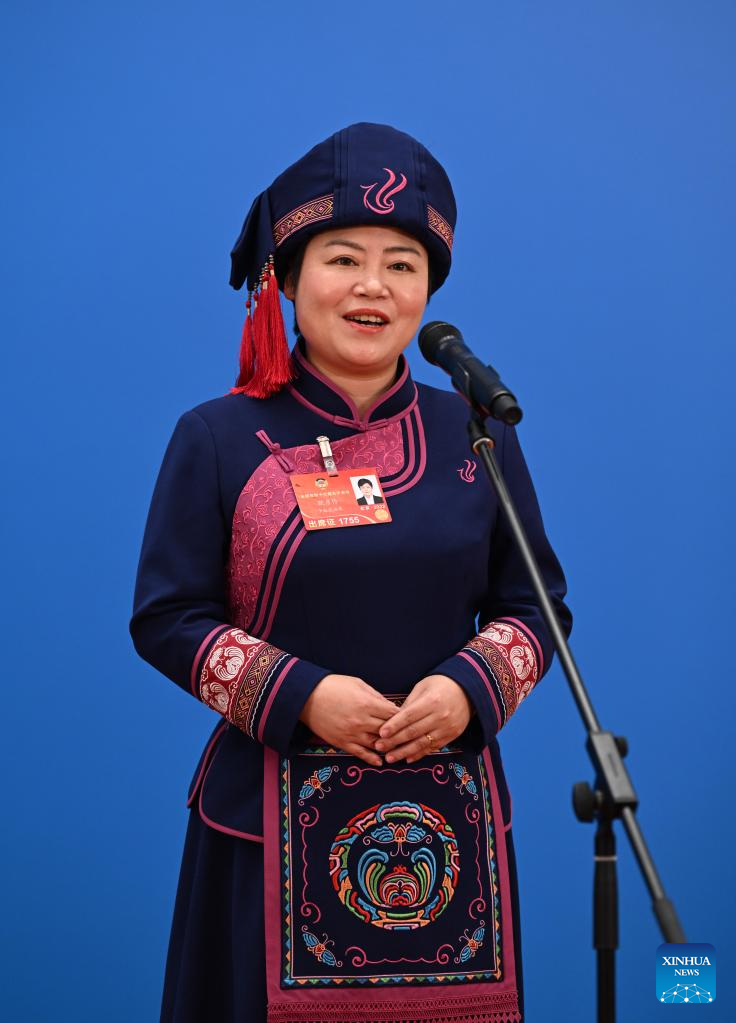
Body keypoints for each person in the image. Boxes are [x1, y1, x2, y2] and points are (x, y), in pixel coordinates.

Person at [130, 122, 572, 1023]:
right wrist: (303, 694)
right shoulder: (218, 436)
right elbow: (167, 615)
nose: (374, 286)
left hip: (447, 818)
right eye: (343, 259)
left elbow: (537, 607)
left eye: (402, 265)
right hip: (264, 822)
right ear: (286, 282)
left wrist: (468, 689)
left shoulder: (478, 432)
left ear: (427, 292)